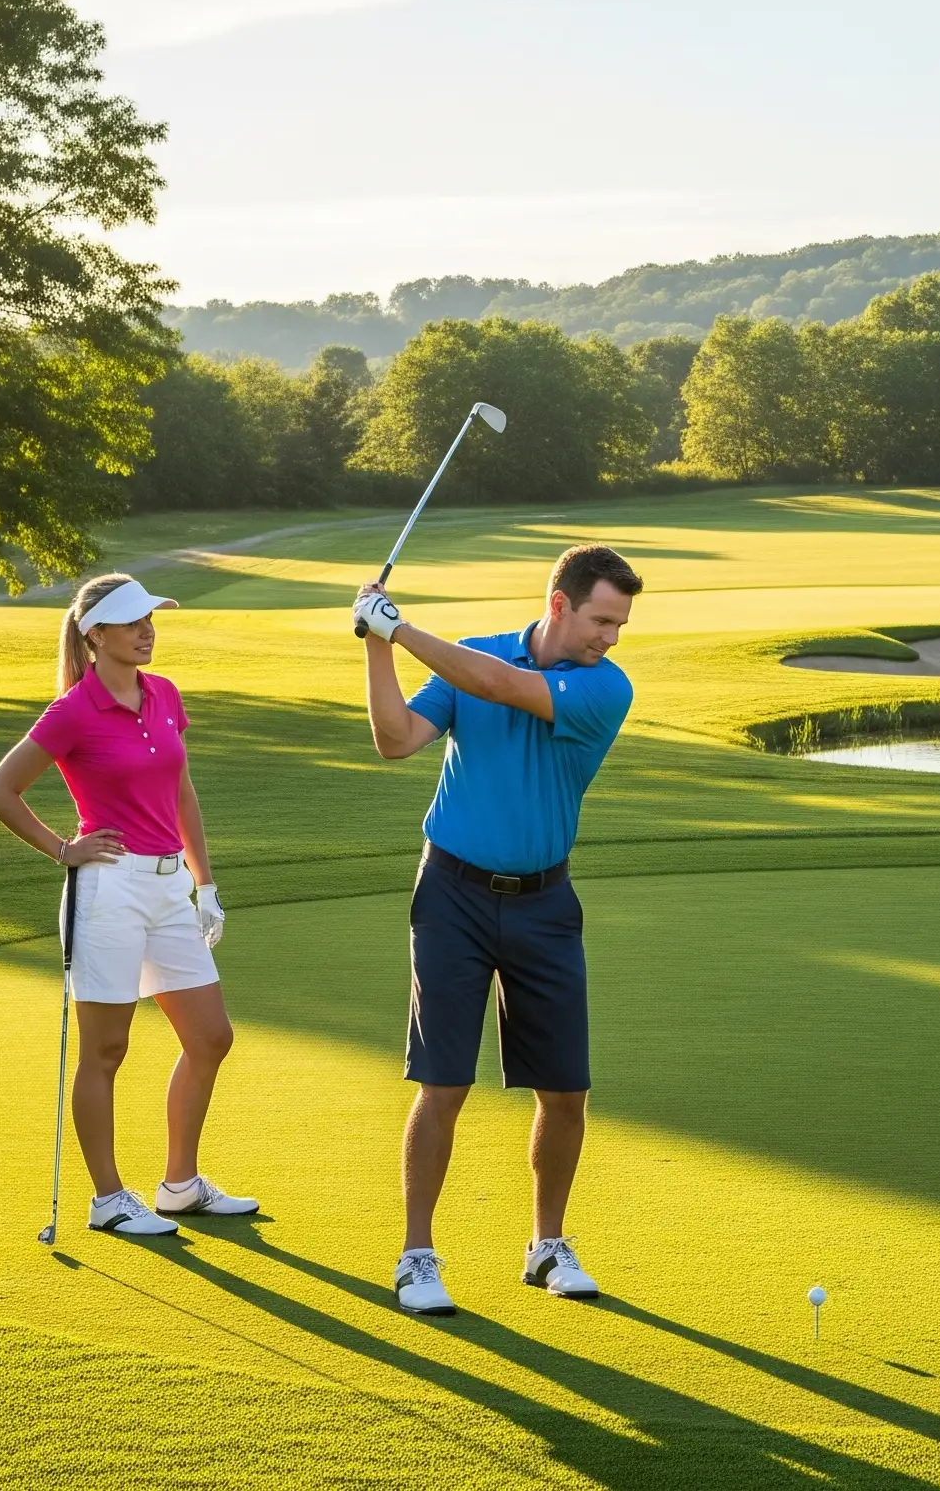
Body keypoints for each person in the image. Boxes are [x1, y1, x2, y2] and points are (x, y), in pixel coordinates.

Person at [354, 542, 642, 1316]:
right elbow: (395, 739)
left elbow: (503, 686)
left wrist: (401, 629)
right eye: (601, 620)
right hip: (451, 894)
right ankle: (417, 1257)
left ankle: (547, 1245)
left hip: (546, 904)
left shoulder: (603, 689)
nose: (610, 637)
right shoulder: (470, 657)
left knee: (566, 1091)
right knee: (442, 1082)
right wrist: (378, 647)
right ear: (560, 602)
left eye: (619, 624)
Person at [0, 573, 257, 1236]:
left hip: (168, 887)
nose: (148, 629)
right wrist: (61, 848)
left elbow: (183, 792)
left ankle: (180, 1185)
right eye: (132, 621)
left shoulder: (164, 694)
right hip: (108, 888)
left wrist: (206, 883)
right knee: (106, 1050)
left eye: (151, 618)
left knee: (210, 1036)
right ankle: (108, 1198)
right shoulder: (73, 710)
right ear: (95, 635)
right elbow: (0, 791)